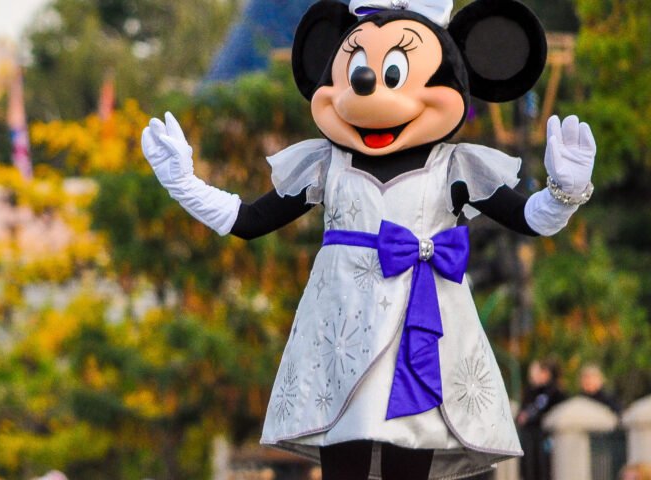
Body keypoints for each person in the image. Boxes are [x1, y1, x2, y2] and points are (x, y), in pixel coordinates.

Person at [142, 0, 596, 477]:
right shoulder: (326, 163)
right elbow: (250, 219)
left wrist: (564, 193)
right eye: (358, 68)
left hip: (420, 333)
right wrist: (185, 185)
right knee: (345, 455)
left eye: (393, 71)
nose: (369, 86)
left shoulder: (454, 166)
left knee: (410, 447)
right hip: (341, 338)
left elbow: (529, 219)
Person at [517, 358, 566, 480]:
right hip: (530, 437)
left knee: (543, 467)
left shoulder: (553, 391)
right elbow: (523, 412)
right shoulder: (531, 390)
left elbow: (541, 408)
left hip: (543, 436)